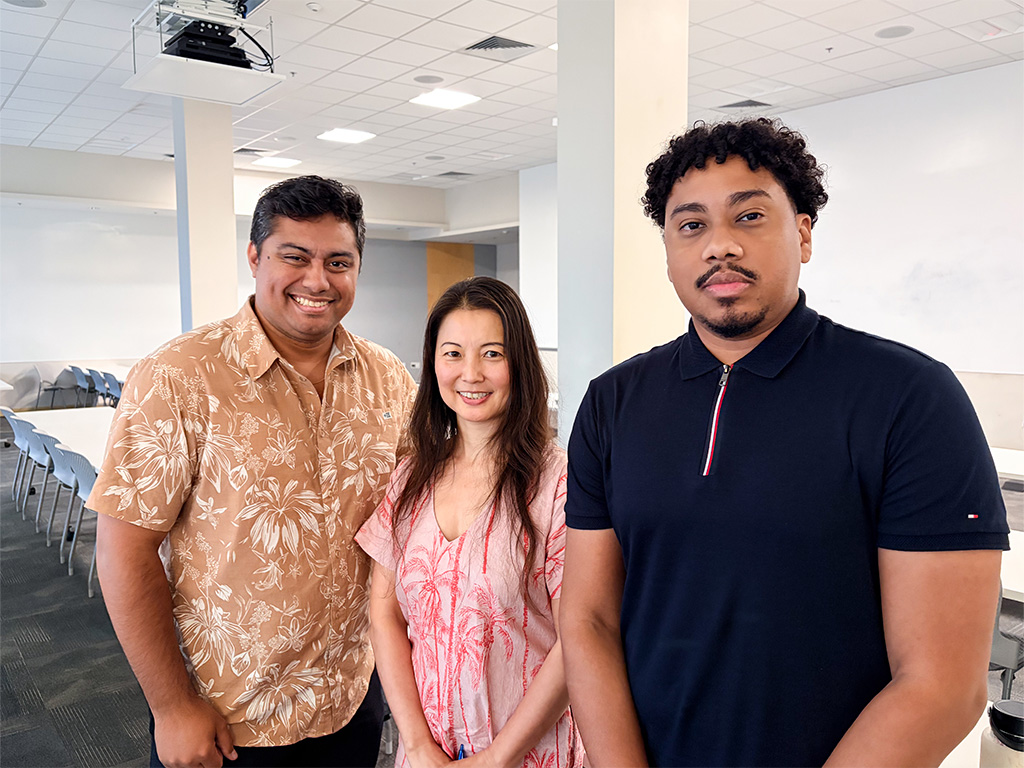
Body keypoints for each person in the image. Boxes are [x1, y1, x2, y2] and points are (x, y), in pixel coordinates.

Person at [559, 118, 1009, 767]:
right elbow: (589, 621)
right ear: (667, 249)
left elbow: (942, 684)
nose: (719, 246)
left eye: (749, 217)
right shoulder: (613, 402)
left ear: (802, 231)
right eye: (691, 225)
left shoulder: (908, 398)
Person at [90, 175, 416, 768]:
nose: (318, 281)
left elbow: (420, 507)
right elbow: (123, 551)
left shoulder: (388, 378)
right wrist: (170, 705)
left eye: (338, 262)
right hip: (229, 717)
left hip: (351, 696)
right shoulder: (179, 377)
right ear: (254, 257)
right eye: (294, 257)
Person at [356, 277, 585, 768]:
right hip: (427, 756)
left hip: (531, 755)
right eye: (453, 353)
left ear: (519, 363)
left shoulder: (561, 483)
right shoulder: (410, 477)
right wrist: (416, 744)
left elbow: (580, 636)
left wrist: (498, 758)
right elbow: (384, 614)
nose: (471, 374)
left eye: (492, 354)